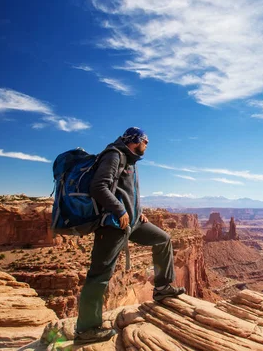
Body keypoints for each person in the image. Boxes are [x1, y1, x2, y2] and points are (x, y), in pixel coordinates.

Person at [74, 127, 185, 345]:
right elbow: (99, 186)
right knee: (99, 275)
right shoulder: (114, 155)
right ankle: (86, 328)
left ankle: (162, 288)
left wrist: (136, 211)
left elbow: (124, 191)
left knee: (163, 239)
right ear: (136, 140)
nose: (147, 145)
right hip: (112, 226)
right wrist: (120, 210)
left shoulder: (129, 159)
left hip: (132, 223)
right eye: (146, 141)